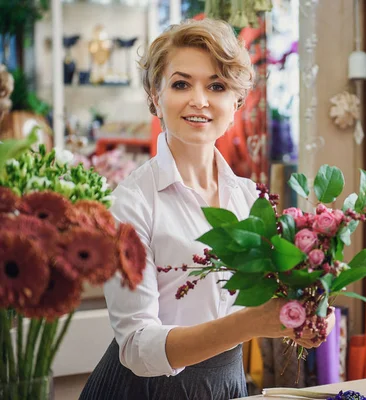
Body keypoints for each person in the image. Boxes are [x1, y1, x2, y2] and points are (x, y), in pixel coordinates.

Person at [80, 18, 335, 400]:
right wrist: (250, 323)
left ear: (236, 101)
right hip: (143, 391)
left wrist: (307, 309)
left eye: (216, 86)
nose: (199, 100)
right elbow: (136, 347)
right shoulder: (131, 203)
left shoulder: (252, 200)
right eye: (181, 83)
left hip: (225, 385)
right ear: (155, 95)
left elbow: (267, 298)